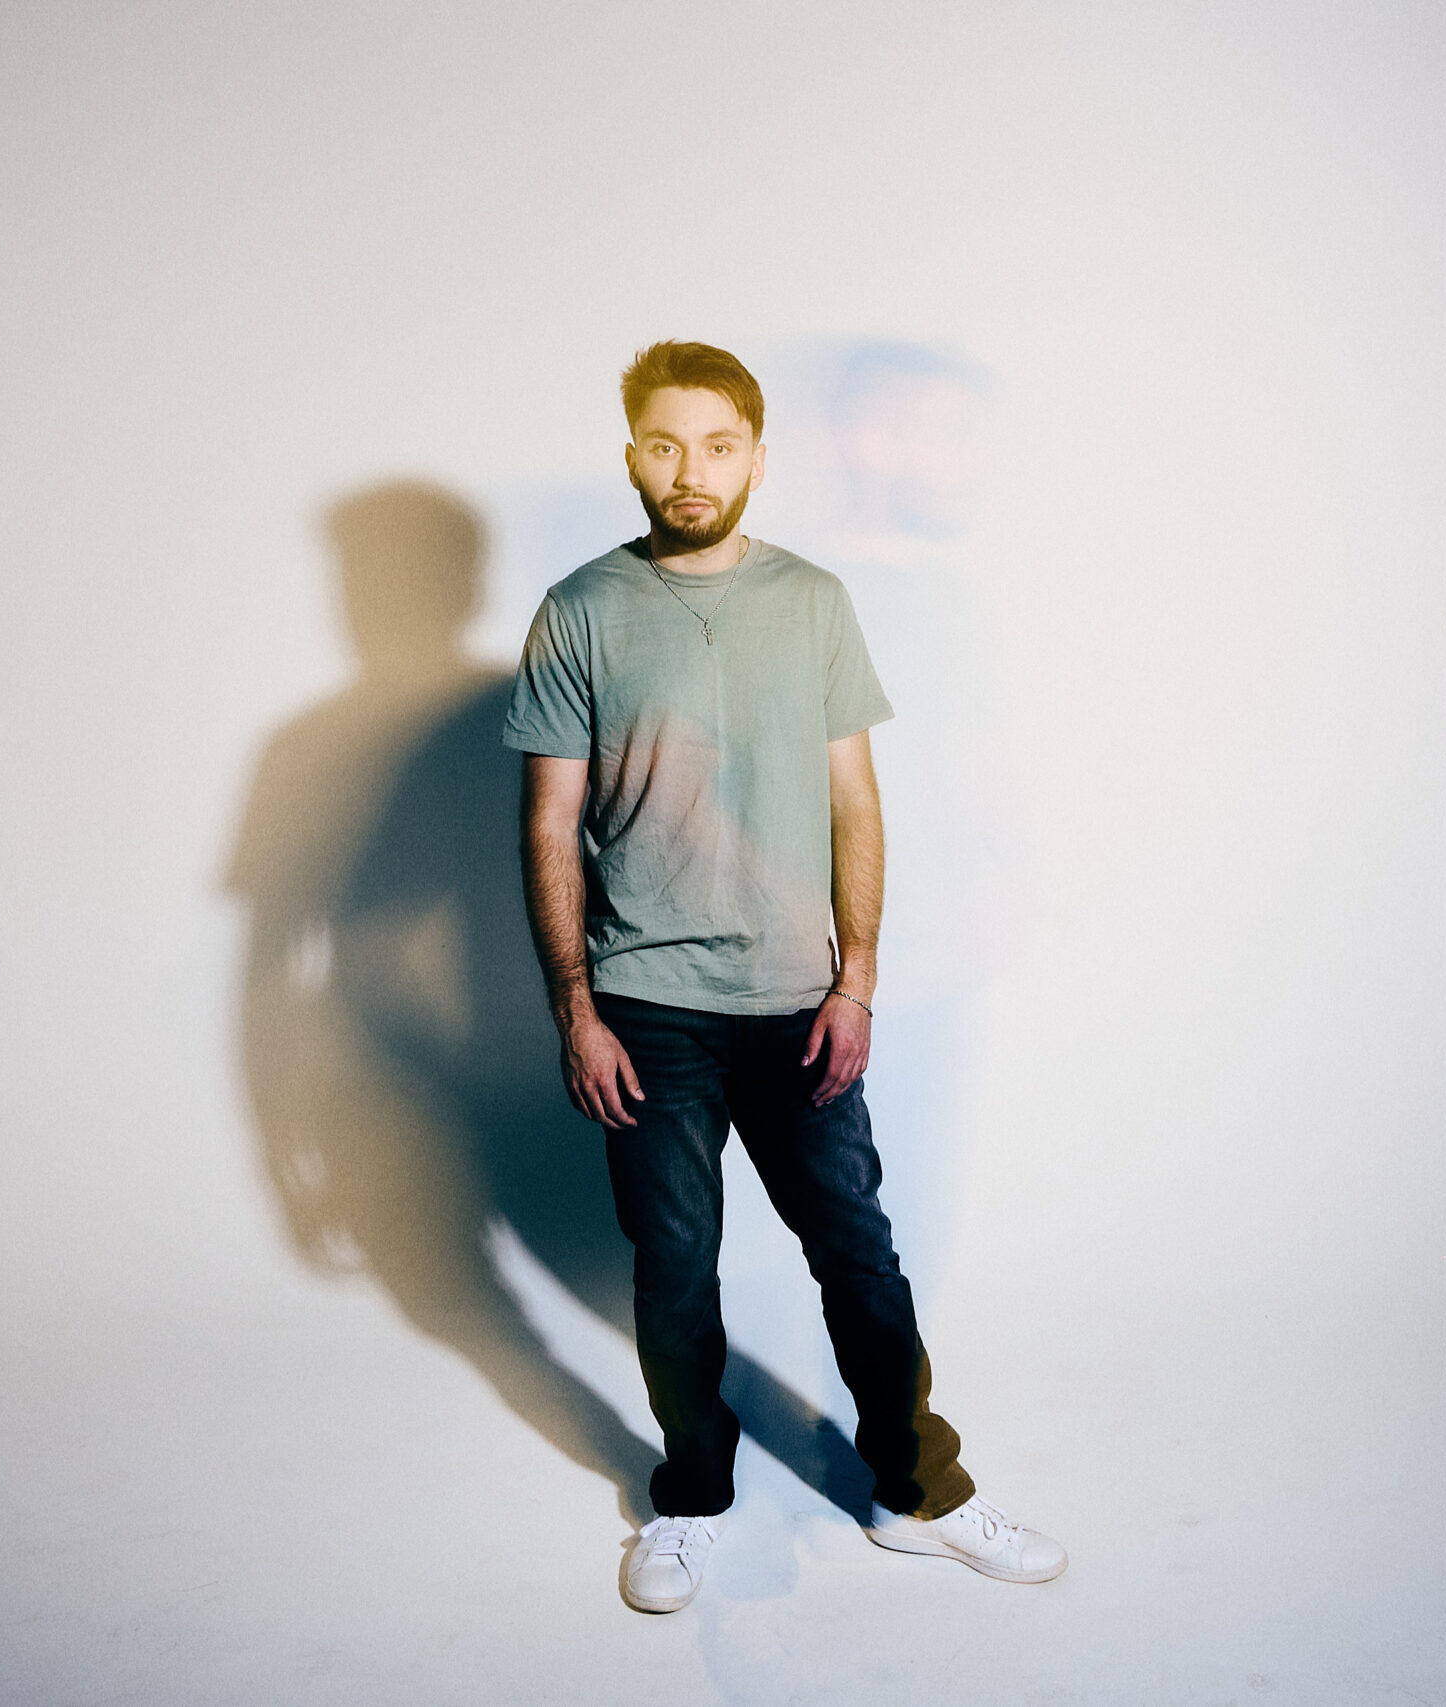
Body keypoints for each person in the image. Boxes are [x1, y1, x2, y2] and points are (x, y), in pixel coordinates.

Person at [503, 340, 1066, 1613]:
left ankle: (920, 1495)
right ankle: (692, 1499)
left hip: (798, 998)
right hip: (645, 1006)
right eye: (664, 444)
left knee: (858, 1251)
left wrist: (855, 981)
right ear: (633, 456)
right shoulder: (579, 608)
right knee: (674, 1264)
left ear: (756, 457)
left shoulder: (815, 600)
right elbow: (547, 822)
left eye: (717, 445)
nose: (689, 469)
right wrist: (575, 1010)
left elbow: (854, 800)